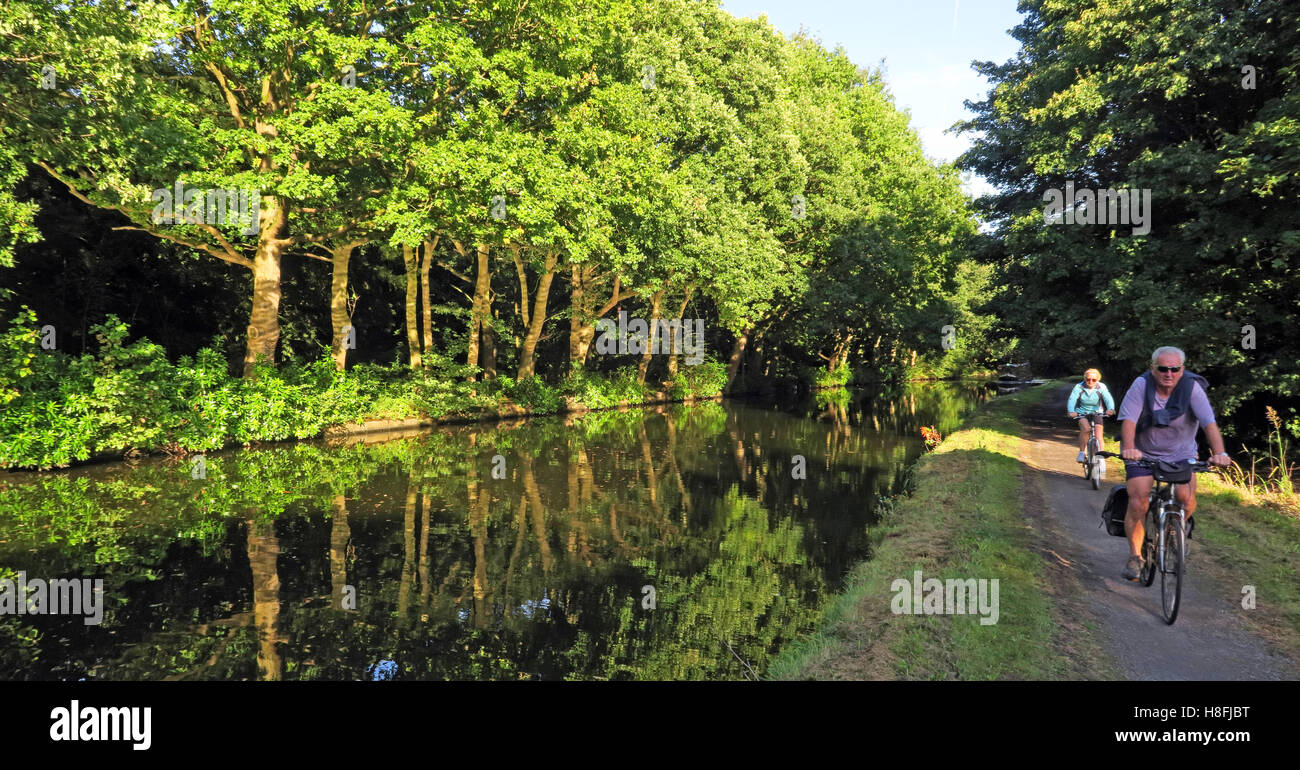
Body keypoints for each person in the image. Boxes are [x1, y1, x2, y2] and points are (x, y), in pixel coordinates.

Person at [1116, 346, 1232, 581]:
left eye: (1174, 369)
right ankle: (1135, 556)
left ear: (1182, 370)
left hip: (1181, 453)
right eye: (1162, 368)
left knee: (1185, 498)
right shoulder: (1141, 385)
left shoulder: (1192, 388)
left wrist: (1219, 452)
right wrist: (1130, 449)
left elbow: (1209, 423)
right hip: (1143, 452)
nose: (1168, 373)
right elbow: (1128, 421)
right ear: (1153, 369)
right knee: (1138, 499)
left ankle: (1174, 529)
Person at [1067, 368, 1115, 463]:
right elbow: (1072, 399)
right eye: (1088, 379)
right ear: (1085, 379)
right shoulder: (1079, 387)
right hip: (1082, 412)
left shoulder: (1101, 387)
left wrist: (1111, 409)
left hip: (1097, 412)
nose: (1091, 381)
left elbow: (1108, 398)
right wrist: (1071, 411)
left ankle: (1101, 455)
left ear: (1098, 380)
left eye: (1094, 380)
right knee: (1086, 429)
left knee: (1098, 433)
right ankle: (1082, 452)